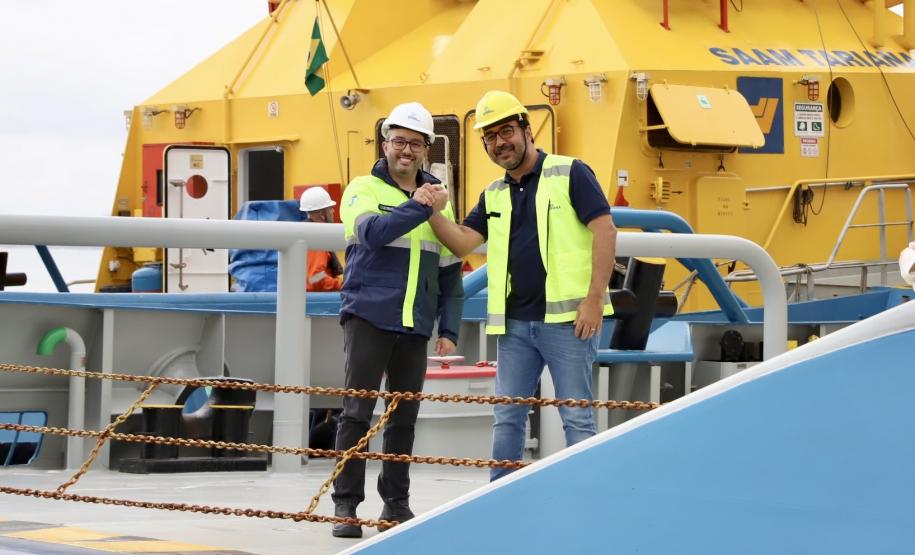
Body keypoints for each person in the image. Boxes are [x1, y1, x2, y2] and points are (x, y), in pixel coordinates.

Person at [425, 90, 617, 481]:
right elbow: (463, 241)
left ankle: (588, 497)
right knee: (507, 417)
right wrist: (430, 211)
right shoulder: (494, 193)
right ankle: (499, 498)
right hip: (514, 327)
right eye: (491, 138)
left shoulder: (570, 172)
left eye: (507, 131)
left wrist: (594, 300)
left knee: (577, 416)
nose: (500, 143)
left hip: (569, 322)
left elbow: (605, 231)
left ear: (527, 130)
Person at [331, 102, 464, 538]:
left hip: (415, 324)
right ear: (385, 142)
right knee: (356, 412)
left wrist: (448, 329)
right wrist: (421, 206)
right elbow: (370, 234)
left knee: (403, 416)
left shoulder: (437, 201)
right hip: (368, 315)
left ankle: (395, 505)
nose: (406, 150)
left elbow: (449, 271)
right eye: (399, 141)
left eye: (416, 143)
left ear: (427, 149)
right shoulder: (363, 188)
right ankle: (346, 507)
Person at [299, 187, 344, 292]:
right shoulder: (316, 240)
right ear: (322, 214)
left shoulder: (305, 234)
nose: (333, 211)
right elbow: (314, 279)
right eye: (330, 208)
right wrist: (342, 284)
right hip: (318, 302)